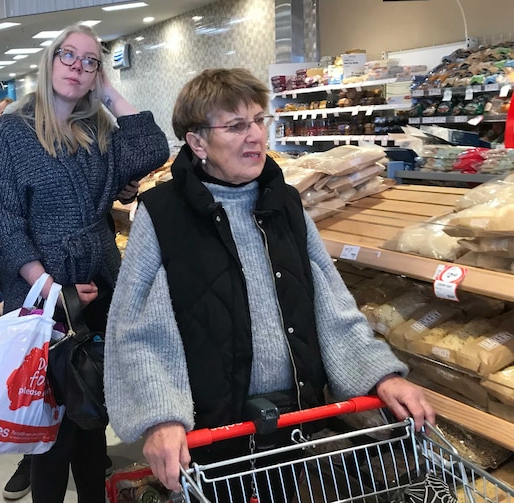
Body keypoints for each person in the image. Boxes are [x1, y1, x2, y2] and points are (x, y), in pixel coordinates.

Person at [103, 68, 435, 497]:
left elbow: (330, 304)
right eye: (237, 125)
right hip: (214, 437)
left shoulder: (286, 203)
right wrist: (160, 417)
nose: (256, 136)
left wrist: (380, 375)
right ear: (198, 141)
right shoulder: (162, 214)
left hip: (298, 422)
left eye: (260, 120)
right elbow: (137, 331)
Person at [0, 23, 169, 503]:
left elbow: (153, 148)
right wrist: (50, 290)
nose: (77, 67)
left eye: (89, 61)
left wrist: (107, 90)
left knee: (91, 419)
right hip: (41, 291)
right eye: (68, 56)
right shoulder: (11, 134)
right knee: (52, 430)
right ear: (49, 60)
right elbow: (0, 220)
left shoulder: (95, 131)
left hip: (99, 281)